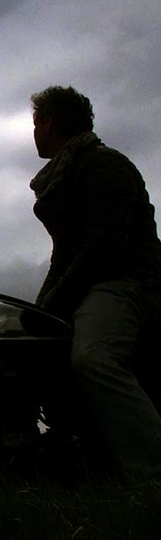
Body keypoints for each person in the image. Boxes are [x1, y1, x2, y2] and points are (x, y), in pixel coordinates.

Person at [30, 85, 161, 477]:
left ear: (49, 122)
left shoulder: (103, 165)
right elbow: (64, 254)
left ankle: (153, 474)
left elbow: (103, 246)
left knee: (93, 356)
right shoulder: (63, 175)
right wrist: (35, 314)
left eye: (36, 122)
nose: (33, 131)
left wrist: (55, 303)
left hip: (127, 281)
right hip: (92, 281)